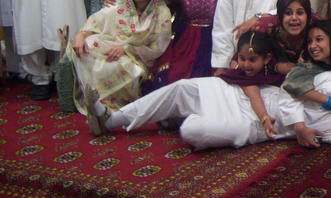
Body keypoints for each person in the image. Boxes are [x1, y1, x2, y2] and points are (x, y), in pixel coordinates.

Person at [85, 31, 291, 147]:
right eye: (243, 59)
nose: (246, 65)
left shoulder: (275, 74)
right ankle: (112, 120)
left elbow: (255, 93)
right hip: (226, 90)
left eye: (252, 60)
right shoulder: (237, 74)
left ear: (266, 59)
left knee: (190, 130)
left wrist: (264, 118)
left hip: (243, 115)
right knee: (181, 87)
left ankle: (178, 117)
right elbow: (246, 84)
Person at [70, 0, 171, 112]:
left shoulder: (161, 13)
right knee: (88, 44)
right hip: (113, 48)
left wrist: (125, 48)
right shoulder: (120, 3)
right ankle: (97, 100)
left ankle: (109, 104)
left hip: (139, 58)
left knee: (122, 67)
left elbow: (157, 48)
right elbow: (96, 21)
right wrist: (81, 35)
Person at [281, 20, 331, 113]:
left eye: (319, 39)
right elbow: (291, 85)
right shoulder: (307, 67)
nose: (312, 46)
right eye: (309, 41)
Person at [253, 0, 317, 69]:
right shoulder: (267, 27)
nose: (294, 18)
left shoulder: (318, 26)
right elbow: (249, 54)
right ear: (280, 16)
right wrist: (276, 66)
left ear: (308, 16)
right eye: (288, 13)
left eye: (300, 13)